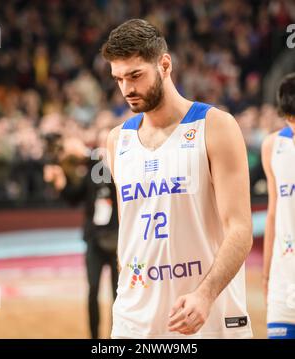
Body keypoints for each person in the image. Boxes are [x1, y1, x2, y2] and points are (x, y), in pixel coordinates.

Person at [102, 19, 253, 339]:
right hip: (134, 323)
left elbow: (240, 229)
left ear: (165, 65)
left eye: (135, 75)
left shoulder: (216, 126)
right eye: (119, 79)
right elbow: (128, 233)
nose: (127, 88)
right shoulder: (117, 140)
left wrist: (205, 294)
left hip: (206, 318)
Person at [44, 131, 119, 339]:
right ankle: (94, 338)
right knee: (92, 290)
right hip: (94, 239)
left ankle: (116, 337)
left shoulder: (115, 163)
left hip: (118, 240)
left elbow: (102, 162)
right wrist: (60, 180)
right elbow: (74, 198)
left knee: (118, 294)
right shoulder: (91, 169)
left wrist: (84, 151)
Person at [261, 73, 295, 339]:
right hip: (283, 278)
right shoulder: (272, 146)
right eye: (290, 119)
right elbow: (272, 213)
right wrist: (266, 273)